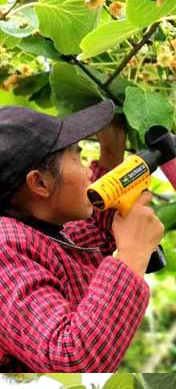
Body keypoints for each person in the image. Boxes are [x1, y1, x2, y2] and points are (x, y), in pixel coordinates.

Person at [0, 99, 164, 372]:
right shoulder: (4, 247)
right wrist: (132, 254)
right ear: (40, 183)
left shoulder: (39, 232)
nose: (88, 168)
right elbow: (71, 361)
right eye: (77, 156)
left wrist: (112, 155)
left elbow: (93, 234)